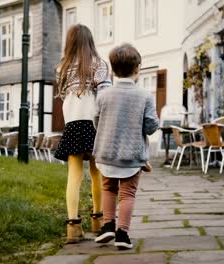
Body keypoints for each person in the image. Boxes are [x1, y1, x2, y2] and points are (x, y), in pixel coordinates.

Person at [92, 43, 159, 249]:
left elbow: (96, 121)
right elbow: (150, 127)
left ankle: (107, 225)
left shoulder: (103, 95)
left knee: (108, 188)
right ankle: (122, 233)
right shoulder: (145, 96)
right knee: (127, 193)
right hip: (131, 155)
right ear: (137, 69)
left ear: (112, 70)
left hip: (107, 154)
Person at [53, 24, 112, 244]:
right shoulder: (99, 64)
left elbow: (62, 96)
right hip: (94, 122)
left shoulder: (61, 68)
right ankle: (98, 220)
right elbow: (105, 96)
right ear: (90, 41)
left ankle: (73, 226)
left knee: (74, 175)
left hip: (73, 122)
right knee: (97, 172)